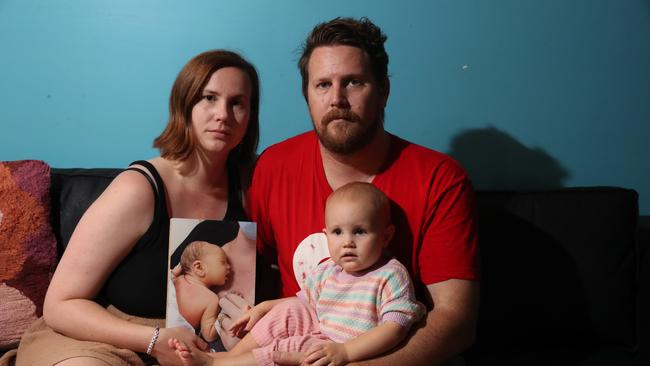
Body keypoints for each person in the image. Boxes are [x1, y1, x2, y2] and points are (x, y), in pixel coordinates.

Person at [246, 17, 480, 366]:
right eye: (322, 85)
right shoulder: (273, 166)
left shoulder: (439, 179)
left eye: (353, 82)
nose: (337, 99)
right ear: (306, 95)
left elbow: (455, 323)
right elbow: (247, 271)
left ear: (383, 89)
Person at [13, 49, 260, 366]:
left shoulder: (255, 184)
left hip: (201, 349)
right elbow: (61, 304)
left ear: (251, 115)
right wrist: (154, 340)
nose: (223, 114)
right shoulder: (138, 188)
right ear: (184, 105)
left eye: (237, 102)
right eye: (208, 98)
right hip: (106, 336)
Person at [168, 182, 426, 366]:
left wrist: (346, 352)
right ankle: (226, 357)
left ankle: (220, 364)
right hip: (321, 331)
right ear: (326, 236)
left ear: (385, 236)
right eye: (338, 232)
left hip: (348, 347)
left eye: (359, 231)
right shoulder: (328, 270)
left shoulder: (390, 275)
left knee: (294, 347)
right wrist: (265, 307)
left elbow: (395, 328)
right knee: (290, 310)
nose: (348, 242)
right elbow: (303, 301)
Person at [172, 241, 231, 342]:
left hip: (172, 335)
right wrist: (226, 313)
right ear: (199, 267)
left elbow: (208, 335)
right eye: (223, 262)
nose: (229, 267)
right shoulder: (211, 299)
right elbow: (209, 335)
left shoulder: (178, 279)